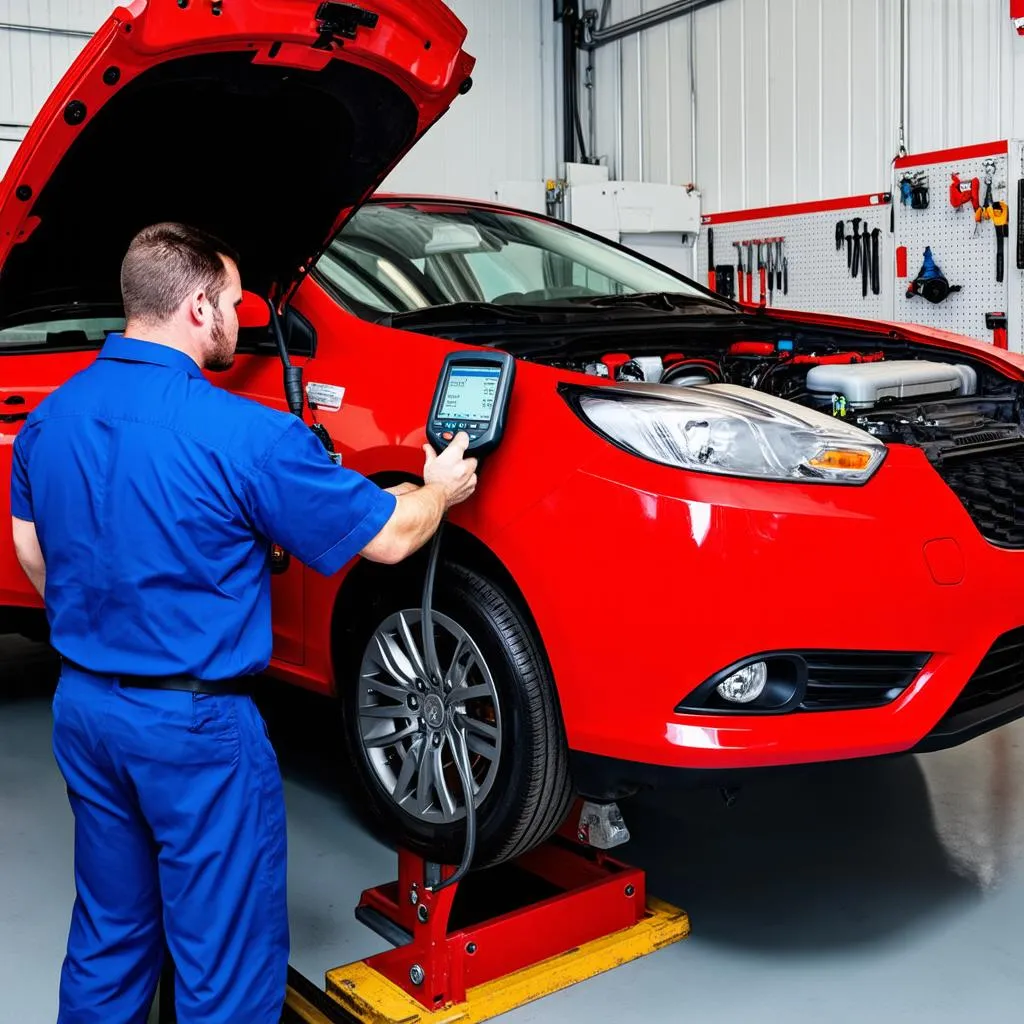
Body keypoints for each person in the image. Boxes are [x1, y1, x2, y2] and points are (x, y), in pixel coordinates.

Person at [9, 222, 478, 1024]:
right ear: (197, 308)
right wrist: (438, 488)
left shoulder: (50, 420)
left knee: (111, 930)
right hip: (195, 729)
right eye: (232, 301)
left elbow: (32, 555)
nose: (243, 315)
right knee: (223, 956)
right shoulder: (245, 433)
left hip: (85, 708)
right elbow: (392, 536)